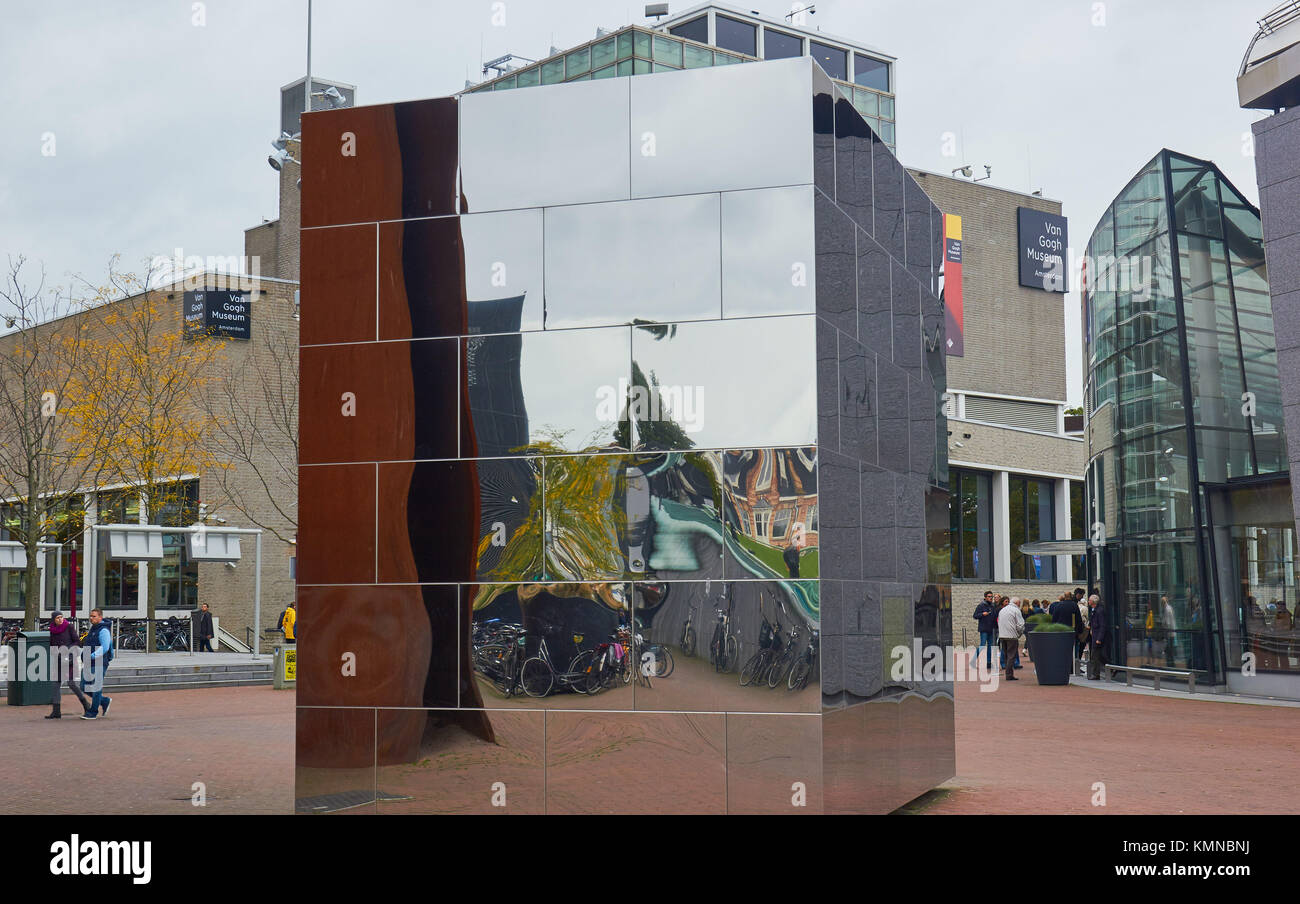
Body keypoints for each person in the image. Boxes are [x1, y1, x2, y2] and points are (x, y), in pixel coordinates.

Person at [46, 611, 91, 720]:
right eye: (58, 618)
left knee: (71, 683)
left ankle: (86, 705)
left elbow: (77, 642)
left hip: (69, 659)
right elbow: (52, 644)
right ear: (54, 620)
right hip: (58, 659)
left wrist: (67, 650)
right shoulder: (52, 630)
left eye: (61, 617)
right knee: (56, 683)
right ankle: (56, 711)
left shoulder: (69, 627)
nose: (60, 619)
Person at [80, 609, 113, 720]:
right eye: (90, 616)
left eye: (94, 616)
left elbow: (105, 647)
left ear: (100, 617)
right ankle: (104, 701)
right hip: (90, 662)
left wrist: (92, 656)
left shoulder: (103, 630)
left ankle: (93, 712)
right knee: (83, 685)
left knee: (96, 687)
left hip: (99, 662)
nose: (91, 618)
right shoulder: (93, 629)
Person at [998, 596, 1025, 681]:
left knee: (1006, 655)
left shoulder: (1002, 610)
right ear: (1017, 603)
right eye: (1019, 603)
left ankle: (1008, 672)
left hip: (1002, 635)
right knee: (1011, 656)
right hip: (1012, 636)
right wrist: (1019, 634)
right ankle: (1009, 674)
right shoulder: (1016, 610)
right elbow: (1020, 625)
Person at [972, 591, 998, 670]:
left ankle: (989, 663)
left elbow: (994, 616)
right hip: (984, 629)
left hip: (991, 628)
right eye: (989, 596)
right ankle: (973, 660)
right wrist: (982, 614)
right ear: (985, 597)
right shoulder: (981, 605)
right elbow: (975, 616)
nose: (991, 598)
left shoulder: (993, 605)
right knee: (982, 645)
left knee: (990, 646)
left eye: (991, 596)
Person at [1086, 594, 1108, 680]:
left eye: (1089, 600)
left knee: (1095, 655)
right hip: (1095, 635)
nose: (1088, 602)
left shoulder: (1099, 611)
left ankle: (1096, 674)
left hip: (1097, 637)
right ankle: (1109, 668)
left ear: (1093, 602)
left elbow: (1102, 625)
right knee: (1097, 655)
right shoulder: (1094, 610)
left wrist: (1099, 638)